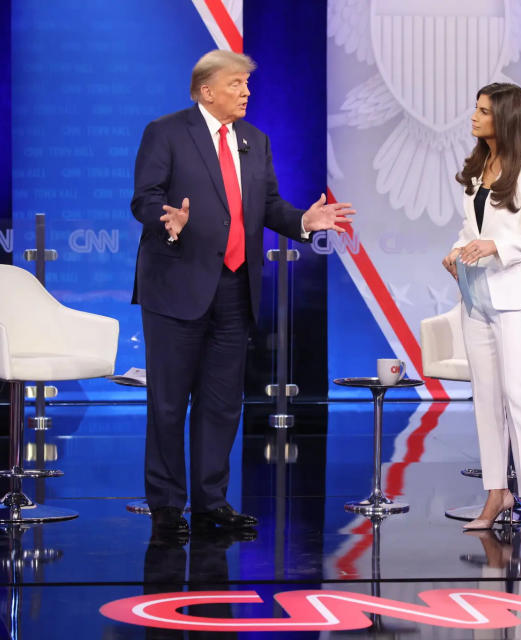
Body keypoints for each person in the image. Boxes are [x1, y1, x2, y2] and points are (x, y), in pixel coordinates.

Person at [131, 49, 354, 538]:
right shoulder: (166, 132)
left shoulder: (255, 140)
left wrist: (302, 222)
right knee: (169, 402)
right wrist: (168, 219)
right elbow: (144, 198)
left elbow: (268, 204)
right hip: (176, 285)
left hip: (236, 288)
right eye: (236, 84)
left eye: (247, 85)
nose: (246, 92)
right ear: (207, 90)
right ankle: (168, 505)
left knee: (221, 402)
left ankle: (212, 502)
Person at [441, 82, 521, 540]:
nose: (474, 116)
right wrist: (456, 250)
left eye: (484, 111)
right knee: (486, 399)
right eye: (476, 108)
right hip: (476, 298)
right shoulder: (477, 168)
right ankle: (496, 491)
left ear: (505, 119)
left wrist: (496, 246)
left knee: (517, 396)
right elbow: (468, 227)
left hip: (515, 299)